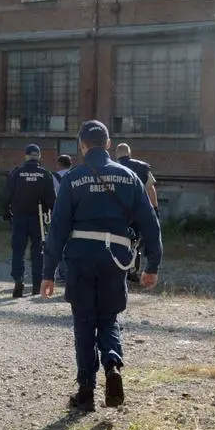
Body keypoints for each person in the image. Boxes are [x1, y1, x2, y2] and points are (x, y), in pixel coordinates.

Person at [40, 120, 162, 412]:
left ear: (82, 146)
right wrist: (152, 264)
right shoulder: (130, 177)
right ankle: (112, 364)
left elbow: (58, 228)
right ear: (108, 144)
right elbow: (150, 223)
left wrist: (47, 273)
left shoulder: (73, 177)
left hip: (80, 257)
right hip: (115, 258)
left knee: (84, 323)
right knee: (108, 317)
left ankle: (85, 392)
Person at [1, 143, 56, 298]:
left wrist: (6, 211)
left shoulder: (16, 173)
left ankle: (18, 280)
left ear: (25, 156)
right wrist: (51, 215)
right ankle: (37, 284)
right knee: (37, 251)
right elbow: (52, 200)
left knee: (18, 250)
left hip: (19, 217)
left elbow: (6, 195)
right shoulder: (45, 174)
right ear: (39, 157)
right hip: (37, 218)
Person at [115, 143, 160, 283]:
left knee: (118, 239)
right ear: (129, 153)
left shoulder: (112, 168)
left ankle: (118, 268)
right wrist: (155, 208)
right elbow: (151, 189)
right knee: (137, 241)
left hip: (118, 212)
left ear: (117, 155)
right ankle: (133, 270)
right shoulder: (142, 167)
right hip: (138, 210)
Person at [51, 154, 73, 284]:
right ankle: (70, 270)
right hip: (74, 214)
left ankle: (61, 272)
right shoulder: (76, 175)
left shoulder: (53, 177)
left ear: (59, 164)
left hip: (58, 214)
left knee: (59, 243)